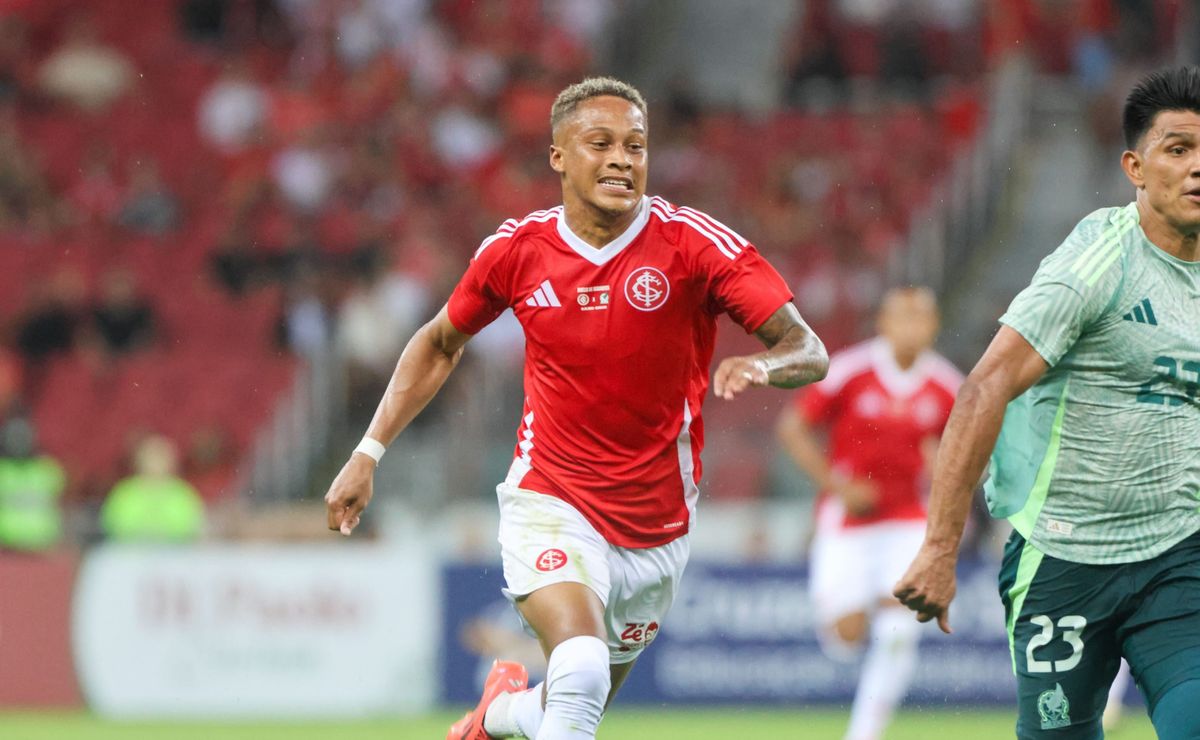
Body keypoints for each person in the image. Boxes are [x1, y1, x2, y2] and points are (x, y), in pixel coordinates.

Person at [323, 76, 828, 740]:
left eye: (636, 146)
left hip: (658, 526)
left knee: (571, 701)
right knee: (582, 670)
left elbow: (807, 346)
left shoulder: (693, 246)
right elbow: (439, 342)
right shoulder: (517, 251)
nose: (623, 159)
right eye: (601, 143)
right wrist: (368, 453)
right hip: (551, 499)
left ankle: (497, 714)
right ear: (559, 155)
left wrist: (763, 363)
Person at [894, 66, 1200, 739]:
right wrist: (941, 546)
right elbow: (986, 384)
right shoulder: (1100, 258)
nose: (1197, 167)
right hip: (1065, 559)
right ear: (1135, 167)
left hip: (1182, 555)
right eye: (1178, 150)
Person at [777, 286, 960, 740]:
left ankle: (864, 733)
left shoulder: (947, 385)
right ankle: (869, 611)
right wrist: (837, 485)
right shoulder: (851, 370)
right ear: (884, 322)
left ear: (934, 327)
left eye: (921, 318)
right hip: (846, 522)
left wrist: (947, 475)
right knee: (846, 636)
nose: (912, 327)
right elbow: (793, 428)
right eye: (903, 317)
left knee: (899, 629)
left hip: (907, 521)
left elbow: (965, 454)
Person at [101, 435, 206, 543]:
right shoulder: (123, 493)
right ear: (138, 461)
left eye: (160, 457)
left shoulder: (184, 494)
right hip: (131, 554)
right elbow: (112, 529)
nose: (155, 463)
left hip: (175, 555)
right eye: (150, 457)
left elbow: (194, 531)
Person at [0, 416, 66, 552]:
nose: (18, 444)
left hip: (42, 545)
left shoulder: (48, 470)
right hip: (6, 547)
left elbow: (63, 504)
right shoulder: (2, 470)